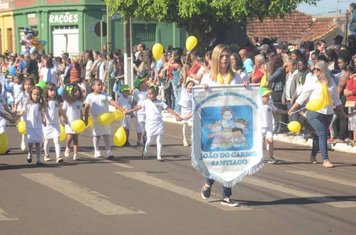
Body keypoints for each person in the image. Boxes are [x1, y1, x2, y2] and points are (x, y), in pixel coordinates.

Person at [200, 44, 246, 207]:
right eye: (222, 56)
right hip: (215, 123)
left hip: (231, 124)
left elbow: (242, 97)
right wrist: (202, 89)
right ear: (216, 58)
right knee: (219, 159)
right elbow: (200, 101)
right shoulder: (208, 78)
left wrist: (247, 89)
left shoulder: (236, 78)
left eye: (227, 56)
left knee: (229, 159)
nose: (225, 59)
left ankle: (227, 196)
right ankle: (209, 182)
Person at [288, 60, 354, 168]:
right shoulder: (311, 80)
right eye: (313, 69)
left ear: (323, 70)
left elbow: (336, 99)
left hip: (328, 113)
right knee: (323, 134)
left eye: (317, 69)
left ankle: (313, 155)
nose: (314, 71)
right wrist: (293, 108)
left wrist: (341, 113)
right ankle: (325, 160)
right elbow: (303, 96)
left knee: (319, 136)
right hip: (314, 113)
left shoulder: (331, 81)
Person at [125, 85, 182, 162]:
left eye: (150, 94)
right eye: (148, 94)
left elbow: (168, 109)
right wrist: (129, 111)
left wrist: (176, 115)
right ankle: (145, 150)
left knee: (159, 140)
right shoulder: (145, 102)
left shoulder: (161, 103)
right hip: (150, 123)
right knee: (149, 141)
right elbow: (138, 107)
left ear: (156, 94)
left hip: (159, 123)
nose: (149, 96)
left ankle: (159, 156)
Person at [83, 79, 124, 159]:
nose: (100, 86)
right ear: (93, 87)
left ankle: (109, 151)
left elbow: (113, 103)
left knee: (106, 135)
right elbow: (86, 106)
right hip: (95, 120)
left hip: (106, 120)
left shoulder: (105, 95)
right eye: (98, 85)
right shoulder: (90, 96)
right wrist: (86, 119)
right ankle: (96, 151)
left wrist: (122, 110)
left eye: (101, 84)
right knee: (96, 135)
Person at [17, 86, 45, 165]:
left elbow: (43, 113)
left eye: (38, 95)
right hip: (30, 126)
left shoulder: (40, 104)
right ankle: (29, 153)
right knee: (30, 142)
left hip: (38, 126)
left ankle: (38, 160)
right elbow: (22, 112)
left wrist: (44, 120)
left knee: (38, 143)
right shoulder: (27, 103)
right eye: (34, 94)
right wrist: (16, 116)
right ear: (31, 94)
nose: (36, 96)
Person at [260, 87, 288, 164]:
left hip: (269, 126)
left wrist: (287, 112)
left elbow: (277, 110)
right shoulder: (256, 104)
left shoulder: (270, 103)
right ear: (261, 97)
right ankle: (259, 157)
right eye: (266, 96)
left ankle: (271, 157)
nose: (268, 97)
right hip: (260, 126)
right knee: (260, 143)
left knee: (271, 141)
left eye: (268, 95)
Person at [42, 83, 67, 163]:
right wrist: (43, 119)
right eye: (51, 90)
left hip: (56, 124)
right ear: (47, 91)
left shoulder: (57, 101)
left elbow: (60, 110)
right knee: (47, 141)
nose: (53, 92)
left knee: (57, 140)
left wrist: (63, 117)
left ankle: (58, 156)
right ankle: (46, 154)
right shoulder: (45, 101)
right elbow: (42, 111)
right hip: (47, 124)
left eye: (54, 91)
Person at [62, 83, 84, 160]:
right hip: (69, 122)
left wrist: (82, 119)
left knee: (76, 138)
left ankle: (76, 153)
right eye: (75, 91)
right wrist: (63, 118)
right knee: (69, 137)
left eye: (78, 91)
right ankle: (67, 146)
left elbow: (81, 112)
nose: (77, 92)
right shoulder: (67, 102)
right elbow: (63, 111)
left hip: (77, 123)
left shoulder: (79, 102)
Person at [13, 77, 35, 151]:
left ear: (32, 85)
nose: (27, 86)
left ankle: (30, 142)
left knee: (31, 128)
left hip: (32, 113)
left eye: (29, 84)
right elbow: (16, 103)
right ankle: (23, 141)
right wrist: (14, 110)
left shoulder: (34, 93)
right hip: (23, 113)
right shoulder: (22, 94)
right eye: (26, 84)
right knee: (25, 129)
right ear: (23, 85)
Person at [132, 77, 148, 146]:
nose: (145, 83)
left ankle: (145, 138)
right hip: (138, 112)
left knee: (146, 126)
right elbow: (133, 102)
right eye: (143, 83)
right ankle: (139, 140)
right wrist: (132, 112)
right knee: (139, 127)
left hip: (147, 112)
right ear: (140, 85)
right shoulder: (136, 92)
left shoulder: (148, 92)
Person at [178, 80, 195, 147]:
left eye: (192, 85)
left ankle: (192, 139)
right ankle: (184, 139)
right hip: (184, 110)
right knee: (185, 125)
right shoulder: (183, 90)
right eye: (189, 85)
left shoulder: (195, 93)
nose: (190, 87)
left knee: (193, 126)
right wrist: (184, 70)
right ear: (186, 86)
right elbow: (184, 81)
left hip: (191, 111)